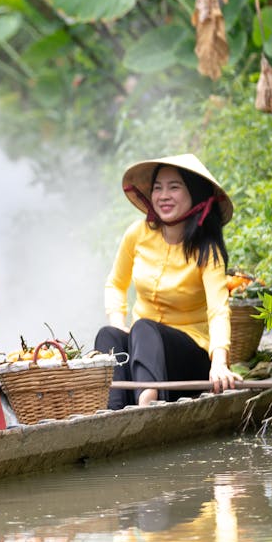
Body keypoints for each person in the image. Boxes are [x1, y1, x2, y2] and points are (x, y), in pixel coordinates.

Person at [95, 154, 242, 409]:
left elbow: (218, 309)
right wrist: (119, 325)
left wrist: (219, 362)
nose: (163, 195)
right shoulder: (137, 234)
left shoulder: (208, 250)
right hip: (143, 350)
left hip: (188, 358)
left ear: (194, 194)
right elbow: (116, 283)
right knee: (109, 335)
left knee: (144, 328)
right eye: (157, 188)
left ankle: (147, 406)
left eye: (174, 187)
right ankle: (112, 411)